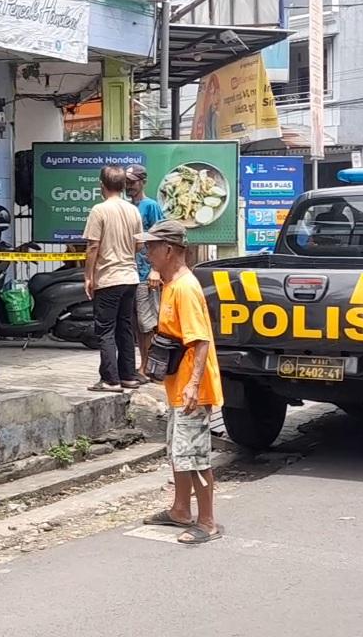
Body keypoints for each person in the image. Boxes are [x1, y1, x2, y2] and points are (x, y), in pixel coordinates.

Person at [137, 220, 224, 545]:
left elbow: (200, 340)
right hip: (180, 384)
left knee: (195, 455)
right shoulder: (173, 284)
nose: (147, 253)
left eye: (151, 247)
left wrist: (193, 384)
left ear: (169, 250)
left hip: (192, 388)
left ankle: (207, 521)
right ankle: (180, 509)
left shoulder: (185, 288)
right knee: (179, 451)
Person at [84, 165, 144, 393]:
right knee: (125, 328)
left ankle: (110, 379)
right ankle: (128, 375)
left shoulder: (99, 210)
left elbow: (92, 246)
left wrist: (88, 276)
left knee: (105, 329)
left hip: (108, 278)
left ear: (102, 185)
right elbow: (139, 245)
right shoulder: (133, 211)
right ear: (122, 185)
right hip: (130, 277)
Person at [125, 164, 165, 376]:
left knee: (148, 323)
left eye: (132, 182)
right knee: (137, 324)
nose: (129, 186)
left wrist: (156, 270)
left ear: (143, 182)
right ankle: (143, 364)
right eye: (126, 182)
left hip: (146, 274)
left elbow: (161, 239)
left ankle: (149, 366)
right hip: (130, 272)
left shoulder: (150, 207)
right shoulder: (127, 207)